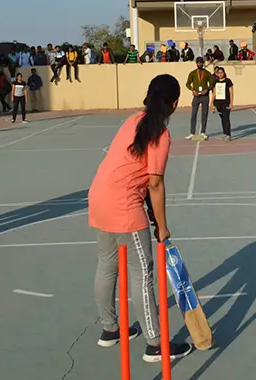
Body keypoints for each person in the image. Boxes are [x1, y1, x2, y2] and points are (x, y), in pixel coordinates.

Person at [88, 74, 193, 362]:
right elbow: (155, 184)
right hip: (123, 206)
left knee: (107, 264)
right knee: (142, 274)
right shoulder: (160, 134)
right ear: (174, 103)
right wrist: (163, 227)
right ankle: (155, 344)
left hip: (98, 197)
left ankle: (110, 329)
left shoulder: (132, 120)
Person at [185, 57, 213, 140]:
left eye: (201, 63)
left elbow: (212, 84)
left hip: (205, 96)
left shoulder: (207, 73)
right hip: (196, 96)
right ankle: (192, 133)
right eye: (198, 63)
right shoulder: (192, 73)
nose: (199, 64)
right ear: (196, 63)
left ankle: (203, 132)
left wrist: (207, 89)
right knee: (193, 114)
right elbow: (187, 84)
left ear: (203, 63)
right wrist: (193, 90)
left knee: (204, 114)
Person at [211, 66, 234, 141]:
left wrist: (231, 103)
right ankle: (225, 133)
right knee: (222, 118)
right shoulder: (215, 82)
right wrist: (211, 102)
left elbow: (231, 92)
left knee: (226, 118)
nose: (220, 74)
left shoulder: (228, 81)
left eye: (221, 72)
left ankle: (228, 134)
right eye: (219, 73)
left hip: (226, 102)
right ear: (217, 74)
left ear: (224, 73)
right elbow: (214, 93)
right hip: (218, 103)